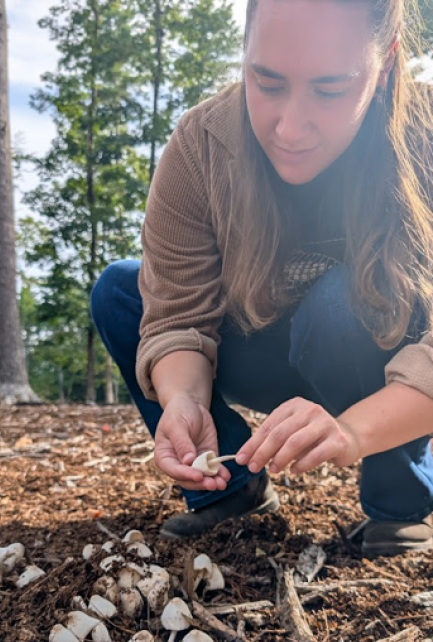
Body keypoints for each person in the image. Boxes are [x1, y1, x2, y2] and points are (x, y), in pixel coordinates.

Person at [91, 0, 433, 556]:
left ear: (387, 62)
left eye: (329, 89)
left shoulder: (424, 143)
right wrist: (182, 398)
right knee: (120, 289)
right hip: (259, 345)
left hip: (372, 357)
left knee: (340, 306)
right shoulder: (201, 144)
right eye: (266, 82)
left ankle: (399, 505)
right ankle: (230, 487)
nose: (290, 128)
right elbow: (176, 311)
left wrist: (352, 433)